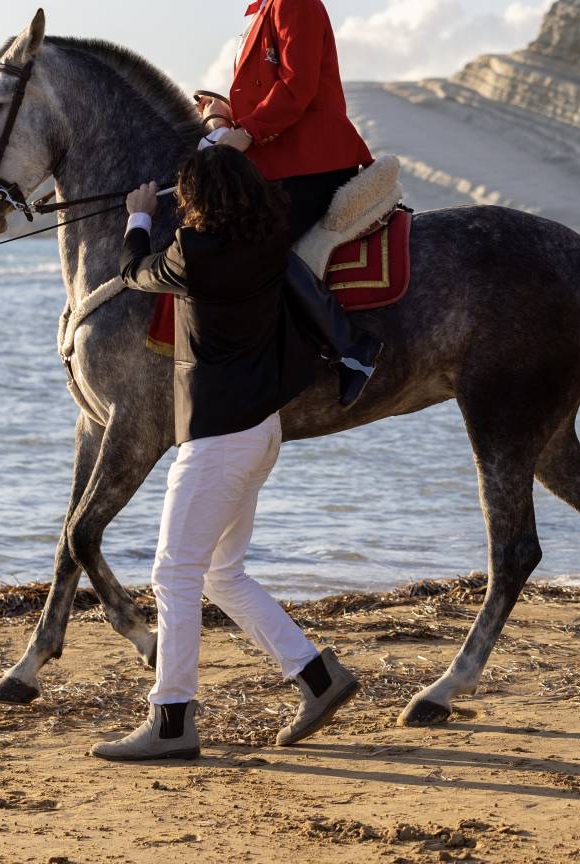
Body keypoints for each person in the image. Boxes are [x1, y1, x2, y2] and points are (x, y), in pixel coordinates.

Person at [89, 146, 361, 762]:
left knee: (174, 574)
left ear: (196, 203)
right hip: (260, 432)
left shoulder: (193, 254)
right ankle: (319, 679)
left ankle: (172, 722)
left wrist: (136, 216)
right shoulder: (268, 242)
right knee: (220, 573)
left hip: (215, 440)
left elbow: (136, 272)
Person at [198, 0, 384, 409]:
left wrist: (247, 131)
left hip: (312, 159)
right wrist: (229, 117)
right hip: (278, 157)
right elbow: (266, 89)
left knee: (259, 248)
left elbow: (297, 87)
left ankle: (352, 346)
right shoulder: (260, 9)